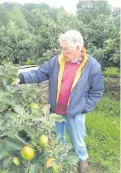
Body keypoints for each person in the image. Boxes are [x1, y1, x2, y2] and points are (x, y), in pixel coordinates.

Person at [18, 30, 104, 173]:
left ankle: (82, 159)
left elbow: (97, 91)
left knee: (78, 140)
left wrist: (84, 107)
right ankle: (60, 159)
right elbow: (39, 73)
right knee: (58, 139)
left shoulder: (92, 66)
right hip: (56, 111)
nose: (63, 52)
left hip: (75, 113)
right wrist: (20, 78)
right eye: (62, 48)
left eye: (66, 49)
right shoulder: (57, 61)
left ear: (78, 47)